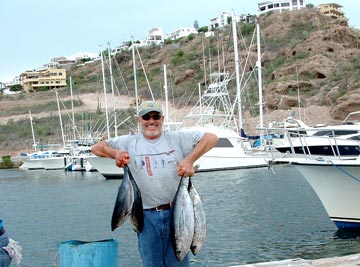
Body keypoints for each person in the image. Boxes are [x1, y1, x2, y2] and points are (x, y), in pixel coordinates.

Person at [91, 100, 218, 267]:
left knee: (179, 262)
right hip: (146, 217)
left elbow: (212, 138)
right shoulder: (128, 142)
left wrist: (189, 160)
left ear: (162, 118)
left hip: (178, 212)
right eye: (146, 117)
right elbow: (96, 148)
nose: (151, 121)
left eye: (156, 116)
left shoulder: (177, 138)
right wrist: (115, 153)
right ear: (139, 120)